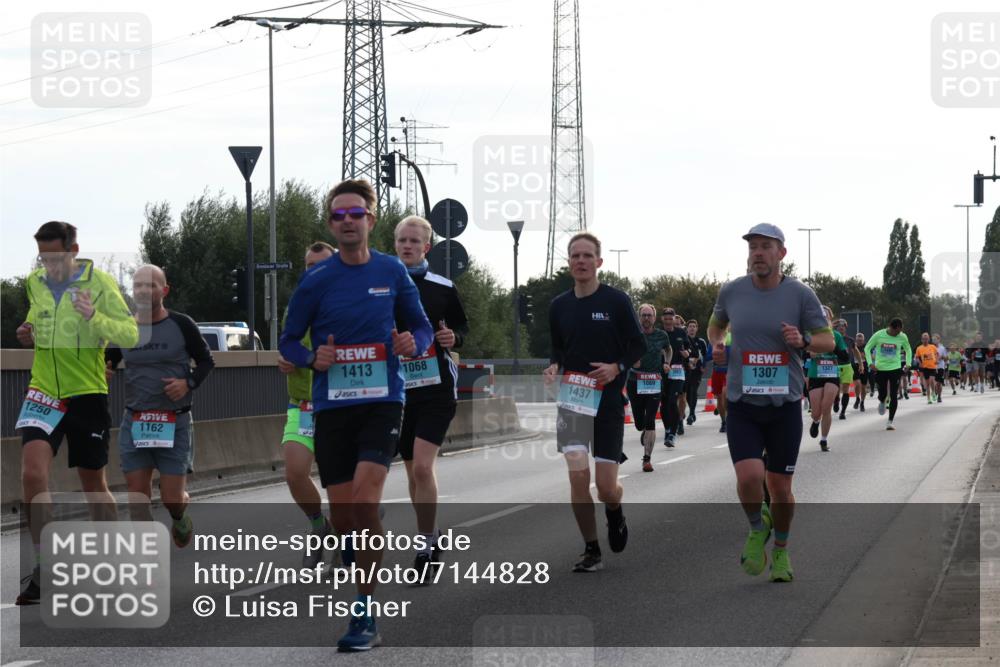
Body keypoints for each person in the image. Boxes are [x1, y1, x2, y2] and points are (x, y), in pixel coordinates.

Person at [278, 179, 433, 652]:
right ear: (331, 223)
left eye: (355, 213)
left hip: (383, 401)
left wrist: (415, 343)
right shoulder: (316, 281)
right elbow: (287, 341)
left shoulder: (391, 270)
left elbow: (421, 326)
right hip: (333, 408)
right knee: (348, 518)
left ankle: (363, 614)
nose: (347, 221)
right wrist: (311, 360)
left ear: (371, 218)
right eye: (338, 215)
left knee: (365, 503)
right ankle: (353, 535)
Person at [14, 221, 139, 605]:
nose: (49, 266)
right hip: (43, 391)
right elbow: (38, 319)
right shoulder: (34, 282)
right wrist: (28, 331)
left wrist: (93, 318)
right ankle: (44, 567)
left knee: (93, 485)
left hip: (86, 393)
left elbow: (131, 335)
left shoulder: (98, 283)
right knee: (32, 474)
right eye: (43, 258)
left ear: (74, 250)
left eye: (56, 258)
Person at [707, 223, 833, 583]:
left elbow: (827, 341)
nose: (757, 253)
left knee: (780, 489)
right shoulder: (732, 291)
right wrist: (718, 342)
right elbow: (715, 325)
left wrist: (803, 339)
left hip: (784, 405)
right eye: (753, 248)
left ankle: (780, 549)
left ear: (781, 254)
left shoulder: (800, 294)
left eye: (765, 247)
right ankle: (755, 526)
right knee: (749, 477)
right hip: (743, 402)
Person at [543, 232, 645, 573]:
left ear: (599, 262)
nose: (581, 261)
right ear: (569, 263)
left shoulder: (615, 301)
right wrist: (555, 365)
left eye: (588, 256)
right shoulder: (559, 306)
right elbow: (558, 348)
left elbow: (637, 346)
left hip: (609, 401)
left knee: (605, 488)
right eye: (575, 256)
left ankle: (615, 511)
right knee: (576, 476)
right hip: (572, 398)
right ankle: (591, 549)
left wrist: (617, 366)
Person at [105, 264, 214, 547]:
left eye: (151, 285)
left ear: (163, 290)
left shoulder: (182, 324)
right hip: (136, 421)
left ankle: (180, 517)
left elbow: (206, 361)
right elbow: (107, 362)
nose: (143, 290)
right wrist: (102, 371)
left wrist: (187, 383)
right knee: (137, 497)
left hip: (174, 422)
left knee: (172, 499)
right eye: (138, 285)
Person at [392, 216, 469, 583]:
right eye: (401, 241)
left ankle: (424, 545)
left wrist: (454, 338)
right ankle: (432, 532)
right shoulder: (381, 285)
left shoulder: (441, 286)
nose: (407, 246)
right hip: (397, 390)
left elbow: (462, 328)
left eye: (413, 241)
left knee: (423, 467)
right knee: (411, 471)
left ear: (426, 247)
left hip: (437, 388)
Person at [277, 242, 336, 568]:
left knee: (342, 483)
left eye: (321, 264)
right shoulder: (297, 305)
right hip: (303, 405)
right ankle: (319, 526)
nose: (314, 271)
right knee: (295, 472)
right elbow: (288, 345)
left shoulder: (348, 302)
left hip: (341, 404)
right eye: (309, 265)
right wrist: (285, 360)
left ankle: (350, 535)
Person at [626, 304, 671, 472]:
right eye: (643, 315)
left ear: (654, 317)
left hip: (654, 381)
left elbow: (668, 349)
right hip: (634, 381)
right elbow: (621, 351)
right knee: (639, 423)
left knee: (650, 418)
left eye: (649, 315)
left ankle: (647, 459)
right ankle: (643, 429)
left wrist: (666, 362)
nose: (646, 318)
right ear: (639, 317)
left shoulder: (661, 335)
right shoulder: (632, 334)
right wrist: (631, 360)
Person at [806, 307, 849, 451]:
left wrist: (833, 348)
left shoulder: (836, 335)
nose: (823, 320)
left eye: (826, 317)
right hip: (815, 374)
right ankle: (816, 421)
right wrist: (809, 353)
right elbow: (803, 353)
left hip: (832, 374)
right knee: (816, 411)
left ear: (830, 319)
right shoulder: (810, 334)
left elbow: (845, 356)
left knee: (826, 407)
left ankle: (823, 440)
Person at [863, 317, 912, 430]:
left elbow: (908, 349)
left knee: (894, 395)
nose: (898, 334)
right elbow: (867, 348)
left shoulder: (902, 336)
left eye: (900, 331)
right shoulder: (879, 335)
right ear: (891, 328)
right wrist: (870, 363)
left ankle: (890, 421)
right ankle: (881, 400)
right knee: (883, 393)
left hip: (895, 368)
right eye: (896, 332)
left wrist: (908, 363)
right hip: (880, 369)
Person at [658, 307, 691, 447]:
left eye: (670, 318)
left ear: (674, 319)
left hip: (678, 371)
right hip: (662, 372)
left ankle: (673, 432)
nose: (668, 321)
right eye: (665, 318)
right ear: (662, 319)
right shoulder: (658, 333)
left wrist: (687, 353)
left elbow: (689, 349)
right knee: (664, 404)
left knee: (673, 401)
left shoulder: (681, 332)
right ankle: (667, 430)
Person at [683, 319, 710, 427]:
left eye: (694, 326)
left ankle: (691, 414)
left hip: (697, 371)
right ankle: (692, 412)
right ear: (687, 328)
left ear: (697, 328)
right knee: (688, 393)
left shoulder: (701, 342)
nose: (692, 328)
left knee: (693, 390)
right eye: (690, 326)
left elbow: (706, 356)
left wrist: (703, 366)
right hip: (686, 370)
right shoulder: (684, 340)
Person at [710, 328, 732, 433]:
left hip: (730, 371)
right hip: (717, 370)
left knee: (725, 394)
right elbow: (709, 354)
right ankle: (723, 421)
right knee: (719, 398)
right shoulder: (715, 336)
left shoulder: (736, 335)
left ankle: (729, 419)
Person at [914, 332, 940, 405]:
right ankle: (929, 399)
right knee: (927, 384)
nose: (925, 340)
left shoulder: (932, 346)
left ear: (928, 339)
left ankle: (933, 392)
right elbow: (917, 357)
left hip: (932, 366)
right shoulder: (919, 348)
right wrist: (920, 362)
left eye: (926, 339)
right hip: (925, 367)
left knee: (932, 380)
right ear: (922, 340)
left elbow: (937, 354)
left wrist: (937, 360)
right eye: (924, 339)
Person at [853, 332, 869, 411]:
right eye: (858, 340)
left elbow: (872, 357)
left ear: (863, 340)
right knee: (857, 384)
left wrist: (863, 356)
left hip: (864, 365)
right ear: (856, 340)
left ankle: (862, 402)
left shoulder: (867, 347)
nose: (859, 341)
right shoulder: (853, 346)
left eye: (861, 340)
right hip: (855, 366)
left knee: (863, 386)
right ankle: (857, 398)